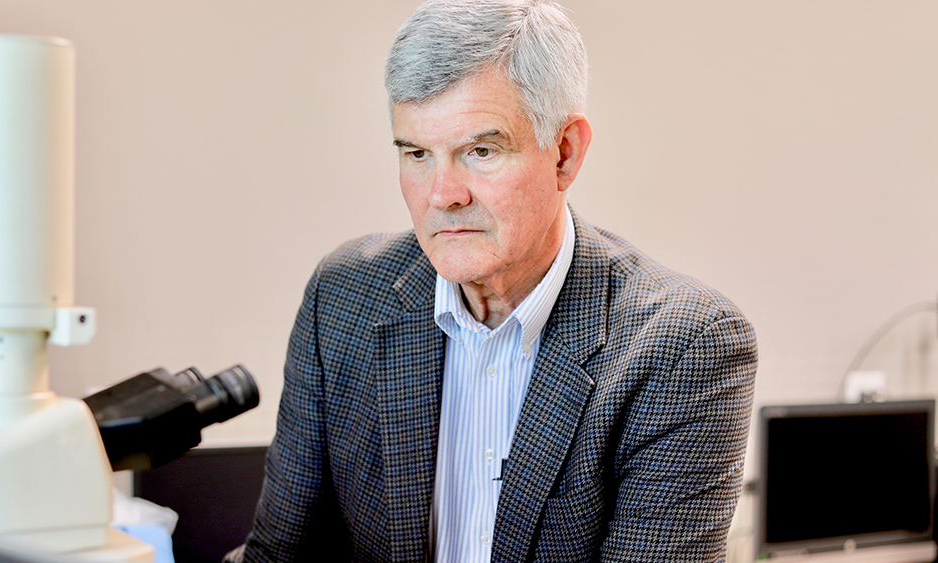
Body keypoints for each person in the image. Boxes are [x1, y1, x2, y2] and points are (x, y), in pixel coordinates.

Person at [226, 0, 757, 561]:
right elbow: (278, 555)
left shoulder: (683, 347)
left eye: (481, 151)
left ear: (566, 154)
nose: (443, 194)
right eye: (417, 154)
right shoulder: (344, 299)